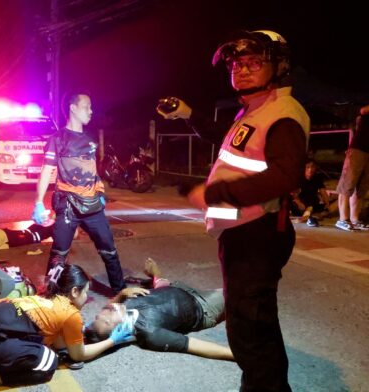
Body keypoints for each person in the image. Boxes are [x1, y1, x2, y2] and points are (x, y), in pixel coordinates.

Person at [157, 30, 309, 391]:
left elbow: (285, 176)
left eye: (254, 63)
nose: (241, 71)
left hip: (259, 235)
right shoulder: (256, 110)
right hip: (243, 233)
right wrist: (188, 113)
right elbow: (226, 137)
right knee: (249, 326)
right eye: (236, 65)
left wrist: (215, 194)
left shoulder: (283, 115)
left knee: (251, 330)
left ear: (280, 66)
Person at [0, 264, 134, 387]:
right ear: (74, 291)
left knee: (32, 339)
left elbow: (53, 337)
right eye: (85, 293)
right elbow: (78, 354)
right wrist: (111, 341)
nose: (87, 297)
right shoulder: (70, 314)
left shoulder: (45, 298)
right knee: (47, 362)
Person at [33, 91, 126, 294]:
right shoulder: (57, 139)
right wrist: (38, 202)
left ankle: (121, 292)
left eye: (91, 107)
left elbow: (93, 170)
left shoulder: (91, 139)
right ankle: (49, 295)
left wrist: (100, 190)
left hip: (92, 205)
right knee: (59, 254)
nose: (91, 111)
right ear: (73, 108)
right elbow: (46, 170)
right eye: (87, 107)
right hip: (67, 206)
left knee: (109, 250)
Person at [85, 259, 234, 361]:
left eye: (99, 315)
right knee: (240, 292)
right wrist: (237, 356)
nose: (106, 311)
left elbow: (111, 306)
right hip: (203, 306)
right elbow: (194, 345)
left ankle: (156, 276)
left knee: (155, 291)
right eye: (106, 320)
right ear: (119, 332)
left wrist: (122, 294)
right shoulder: (150, 334)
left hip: (171, 290)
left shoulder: (122, 310)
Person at [335, 104, 369, 231]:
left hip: (368, 152)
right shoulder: (365, 111)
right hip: (358, 149)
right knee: (348, 184)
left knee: (362, 187)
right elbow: (362, 110)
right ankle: (343, 219)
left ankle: (355, 219)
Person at [290, 159, 330, 227]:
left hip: (312, 202)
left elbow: (323, 191)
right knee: (302, 207)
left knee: (330, 207)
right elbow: (294, 194)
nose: (310, 169)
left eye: (312, 167)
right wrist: (299, 203)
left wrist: (327, 203)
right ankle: (311, 216)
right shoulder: (298, 178)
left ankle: (311, 215)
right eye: (308, 167)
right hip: (301, 203)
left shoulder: (317, 177)